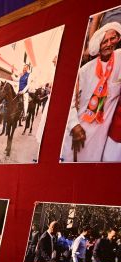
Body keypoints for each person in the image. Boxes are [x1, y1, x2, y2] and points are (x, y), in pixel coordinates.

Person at [62, 22, 121, 162]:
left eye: (112, 39)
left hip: (100, 136)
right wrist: (74, 125)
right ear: (98, 45)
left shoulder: (119, 59)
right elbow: (67, 100)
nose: (109, 44)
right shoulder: (85, 70)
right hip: (79, 130)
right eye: (104, 41)